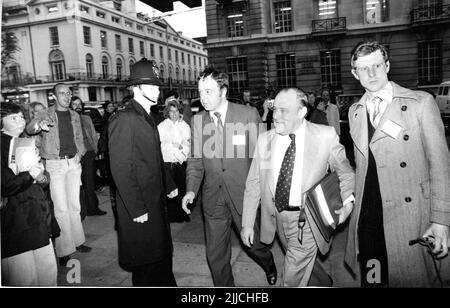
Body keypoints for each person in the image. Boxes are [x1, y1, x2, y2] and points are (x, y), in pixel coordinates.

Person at [345, 41, 450, 287]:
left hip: (410, 217)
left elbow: (441, 167)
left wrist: (442, 220)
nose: (371, 73)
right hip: (369, 219)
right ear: (354, 74)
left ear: (388, 65)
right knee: (374, 280)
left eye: (377, 65)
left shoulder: (420, 103)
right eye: (363, 68)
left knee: (410, 279)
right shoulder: (355, 112)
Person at [240, 88, 355, 287]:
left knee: (291, 276)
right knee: (299, 261)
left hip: (307, 219)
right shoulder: (264, 140)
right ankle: (323, 282)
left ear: (302, 112)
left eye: (283, 110)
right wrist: (248, 223)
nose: (275, 116)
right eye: (274, 109)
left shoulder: (325, 136)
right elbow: (254, 184)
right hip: (277, 217)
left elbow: (345, 172)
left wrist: (348, 202)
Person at [181, 66, 277, 287]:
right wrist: (190, 190)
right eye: (200, 91)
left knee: (253, 244)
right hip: (213, 197)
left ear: (223, 91)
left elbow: (263, 158)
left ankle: (268, 262)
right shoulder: (198, 121)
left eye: (208, 91)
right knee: (215, 253)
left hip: (244, 195)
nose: (202, 97)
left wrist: (265, 193)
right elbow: (195, 161)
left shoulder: (247, 115)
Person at [108, 58, 178, 286]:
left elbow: (154, 157)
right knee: (147, 265)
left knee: (160, 258)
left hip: (154, 200)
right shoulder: (125, 119)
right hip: (139, 205)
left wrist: (168, 184)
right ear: (136, 88)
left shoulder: (147, 116)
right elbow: (121, 168)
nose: (157, 90)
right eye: (151, 86)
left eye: (158, 86)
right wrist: (136, 208)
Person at [26, 83, 91, 266]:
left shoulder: (74, 115)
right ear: (54, 96)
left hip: (73, 163)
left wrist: (80, 153)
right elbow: (30, 129)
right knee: (61, 208)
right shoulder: (45, 113)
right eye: (62, 93)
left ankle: (78, 241)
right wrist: (39, 124)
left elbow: (79, 137)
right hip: (54, 164)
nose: (66, 96)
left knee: (75, 206)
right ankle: (64, 250)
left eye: (69, 93)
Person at [1, 102, 57, 286]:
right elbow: (6, 185)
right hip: (14, 221)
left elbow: (41, 174)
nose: (20, 121)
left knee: (48, 272)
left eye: (21, 117)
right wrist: (30, 175)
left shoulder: (25, 141)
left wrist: (42, 177)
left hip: (37, 215)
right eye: (13, 118)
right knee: (24, 278)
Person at [70, 96, 106, 217]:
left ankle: (93, 209)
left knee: (90, 183)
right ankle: (80, 211)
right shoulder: (68, 119)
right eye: (74, 104)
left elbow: (92, 134)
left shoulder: (86, 118)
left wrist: (95, 149)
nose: (78, 106)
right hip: (75, 155)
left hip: (89, 153)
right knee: (76, 185)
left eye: (79, 104)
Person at [158, 100, 191, 223]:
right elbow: (159, 145)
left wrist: (183, 146)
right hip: (168, 163)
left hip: (181, 163)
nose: (174, 114)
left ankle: (182, 214)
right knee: (171, 191)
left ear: (179, 112)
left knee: (182, 188)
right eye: (171, 111)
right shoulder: (162, 126)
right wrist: (173, 145)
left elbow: (188, 142)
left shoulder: (184, 125)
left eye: (176, 111)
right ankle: (171, 216)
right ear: (167, 112)